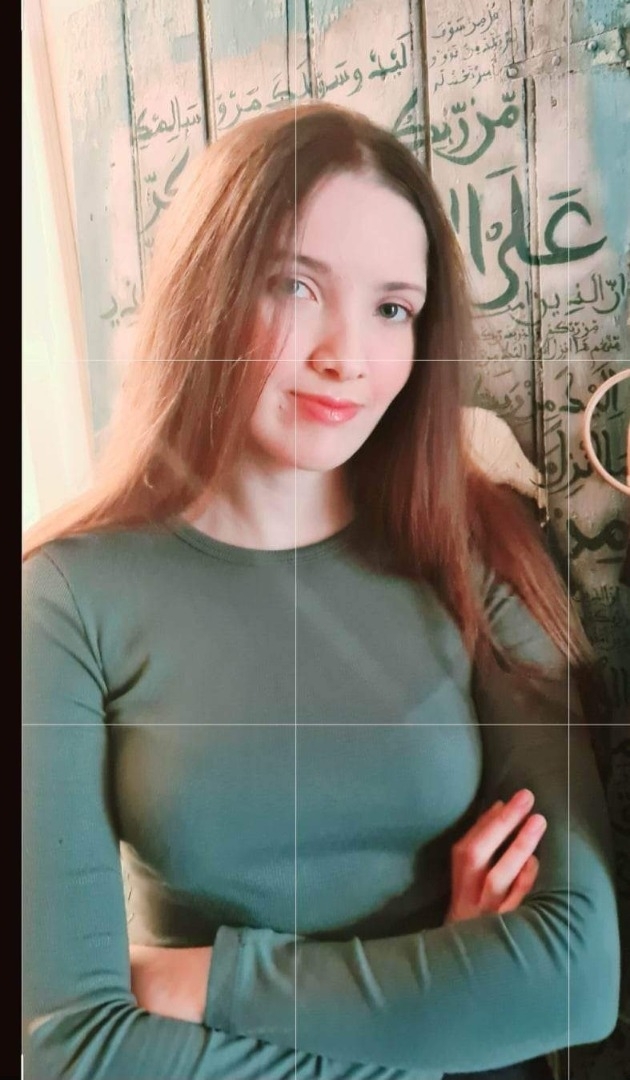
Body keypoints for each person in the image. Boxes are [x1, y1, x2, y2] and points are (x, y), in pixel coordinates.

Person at [22, 101, 620, 1080]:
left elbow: (575, 982)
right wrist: (442, 1015)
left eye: (393, 309)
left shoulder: (479, 547)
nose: (346, 356)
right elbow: (73, 1050)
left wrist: (209, 981)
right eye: (296, 287)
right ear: (206, 290)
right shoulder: (61, 601)